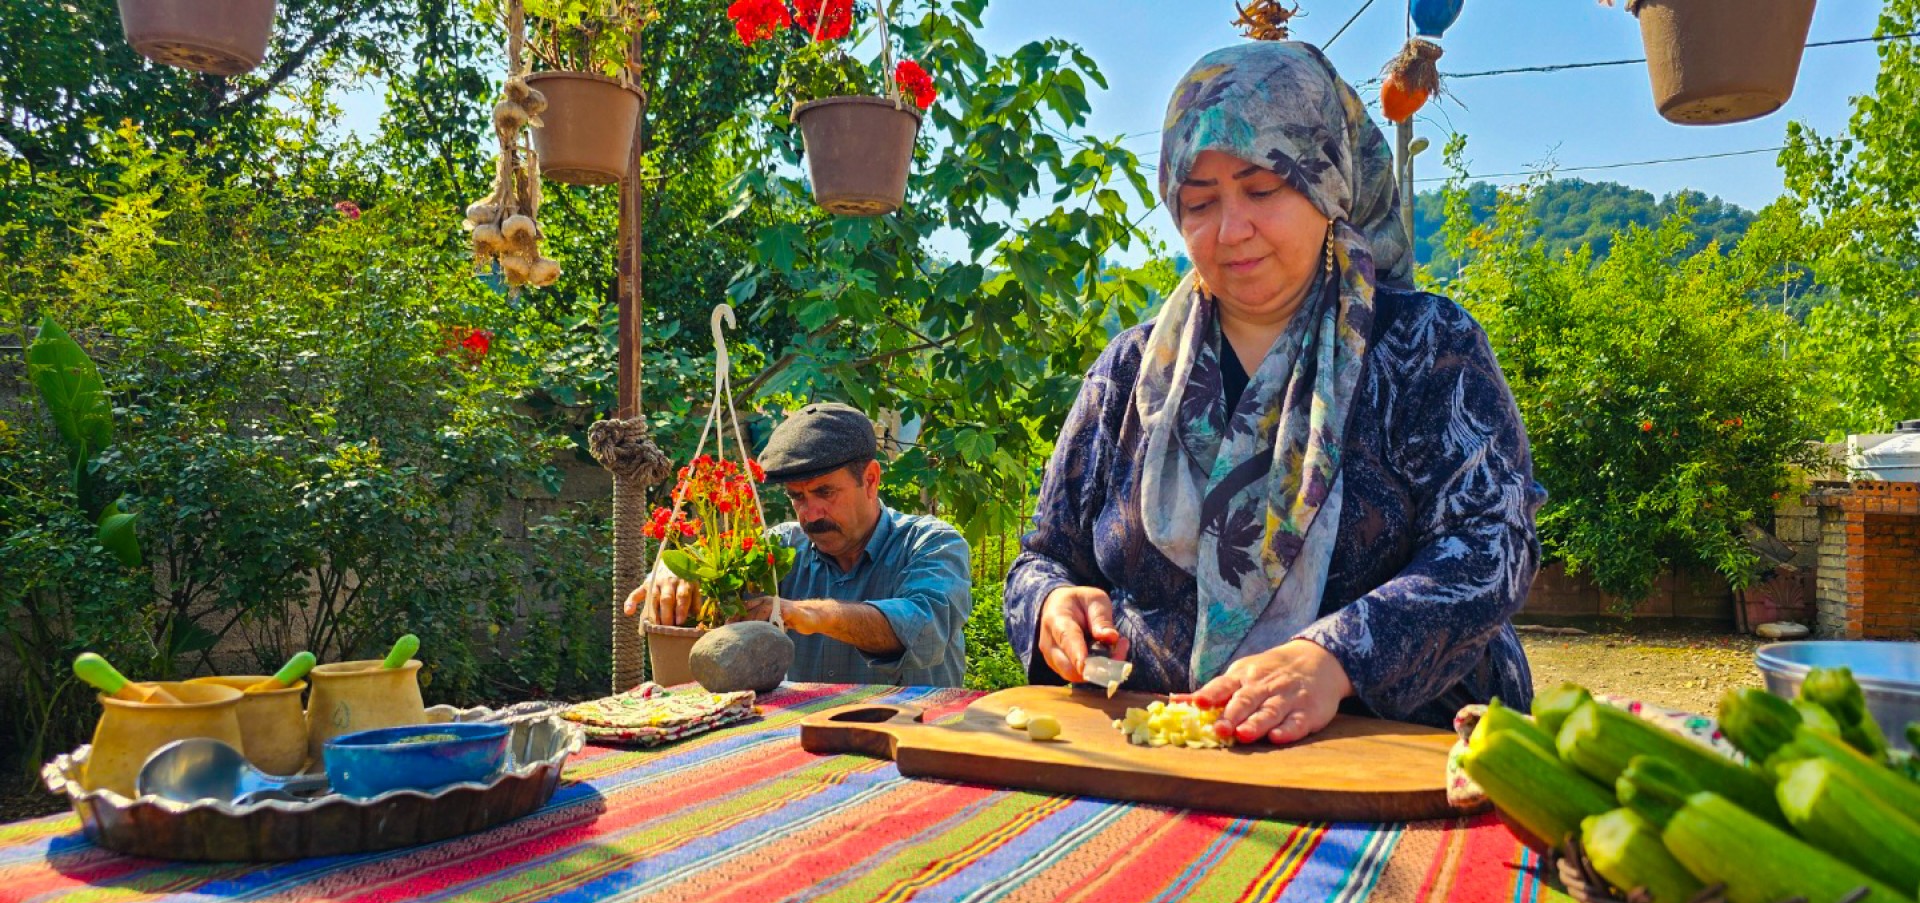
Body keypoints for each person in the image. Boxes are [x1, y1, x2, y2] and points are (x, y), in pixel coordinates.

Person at [1004, 40, 1544, 745]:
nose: (1232, 230)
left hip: (1395, 752)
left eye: (1263, 190)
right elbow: (1043, 556)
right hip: (1155, 753)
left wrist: (1338, 656)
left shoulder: (1425, 347)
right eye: (1199, 203)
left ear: (1327, 185)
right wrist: (1051, 604)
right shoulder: (1129, 373)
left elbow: (1490, 545)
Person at [625, 402, 973, 686]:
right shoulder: (776, 549)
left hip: (910, 747)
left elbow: (925, 628)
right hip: (799, 751)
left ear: (870, 479)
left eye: (825, 492)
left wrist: (809, 613)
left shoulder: (933, 543)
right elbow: (709, 569)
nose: (811, 513)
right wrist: (674, 571)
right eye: (797, 496)